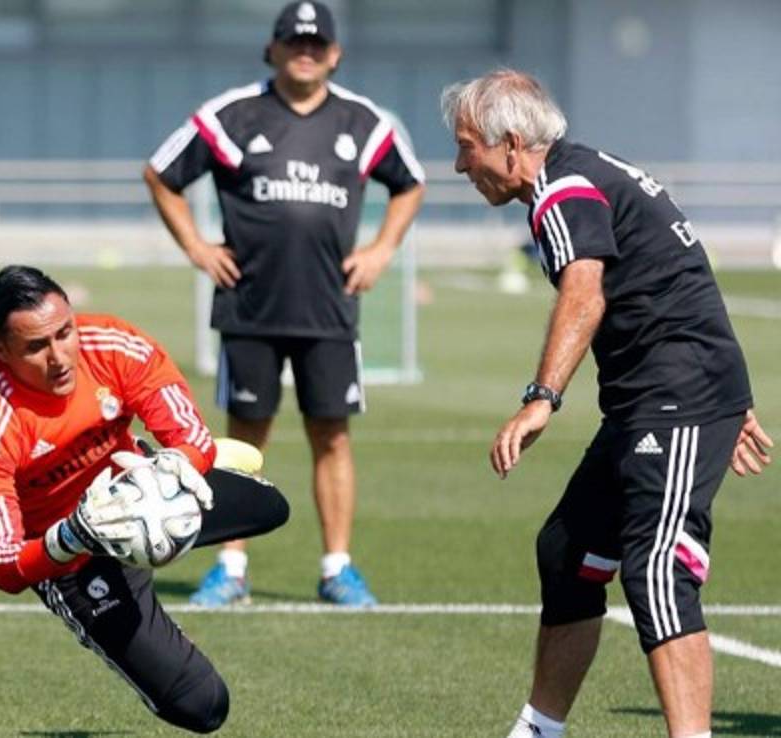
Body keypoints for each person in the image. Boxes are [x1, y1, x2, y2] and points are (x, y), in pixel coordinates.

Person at [440, 69, 774, 738]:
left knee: (657, 570)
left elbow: (585, 294)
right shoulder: (581, 173)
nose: (459, 164)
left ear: (511, 144)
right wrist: (730, 398)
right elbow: (678, 274)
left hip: (677, 399)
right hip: (657, 400)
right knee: (568, 553)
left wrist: (541, 399)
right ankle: (540, 728)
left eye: (467, 146)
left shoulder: (564, 188)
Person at [143, 0, 425, 607]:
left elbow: (410, 184)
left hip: (329, 308)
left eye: (316, 44)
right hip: (250, 307)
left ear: (335, 54)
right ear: (271, 49)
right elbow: (161, 174)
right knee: (243, 442)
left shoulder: (363, 122)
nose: (305, 52)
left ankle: (337, 568)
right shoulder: (232, 115)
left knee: (333, 437)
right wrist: (196, 245)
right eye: (294, 42)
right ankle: (231, 567)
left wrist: (381, 250)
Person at [0, 265, 288, 734]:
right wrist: (72, 536)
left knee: (271, 506)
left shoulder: (113, 345)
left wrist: (178, 464)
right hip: (70, 557)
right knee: (204, 706)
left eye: (64, 333)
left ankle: (170, 483)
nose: (59, 357)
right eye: (36, 347)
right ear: (0, 350)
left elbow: (190, 435)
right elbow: (6, 565)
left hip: (144, 492)